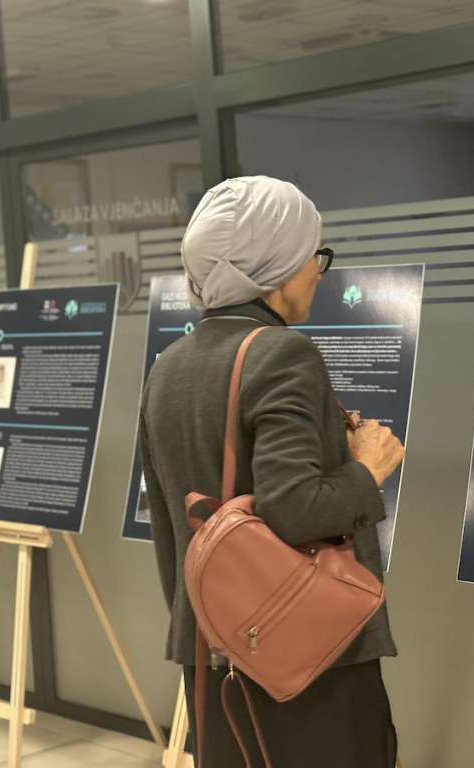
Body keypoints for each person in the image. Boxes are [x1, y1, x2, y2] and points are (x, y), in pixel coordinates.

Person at [138, 176, 405, 767]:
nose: (317, 272)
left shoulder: (169, 366)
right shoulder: (283, 353)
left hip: (212, 646)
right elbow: (296, 509)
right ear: (276, 267)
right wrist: (368, 469)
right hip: (302, 648)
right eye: (313, 255)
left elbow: (170, 525)